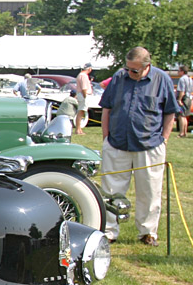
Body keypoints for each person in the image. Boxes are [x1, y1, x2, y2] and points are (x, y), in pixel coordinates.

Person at [100, 46, 180, 246]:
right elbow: (107, 108)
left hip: (150, 145)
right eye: (127, 68)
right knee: (111, 190)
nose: (130, 73)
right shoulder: (118, 78)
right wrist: (105, 137)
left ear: (147, 66)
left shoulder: (162, 80)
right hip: (117, 143)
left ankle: (148, 232)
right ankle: (109, 231)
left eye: (134, 70)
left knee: (150, 191)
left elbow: (170, 112)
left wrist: (165, 138)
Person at [75, 63, 94, 135]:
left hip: (81, 94)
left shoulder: (80, 75)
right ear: (89, 69)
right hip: (84, 95)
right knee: (81, 111)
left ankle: (79, 129)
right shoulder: (84, 76)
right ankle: (78, 129)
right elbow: (84, 87)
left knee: (81, 111)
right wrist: (85, 96)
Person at [176, 64, 191, 138]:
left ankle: (181, 133)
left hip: (183, 98)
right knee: (185, 116)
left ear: (182, 71)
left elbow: (182, 91)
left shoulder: (182, 79)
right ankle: (185, 132)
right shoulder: (189, 79)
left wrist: (179, 100)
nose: (178, 72)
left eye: (178, 71)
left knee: (181, 115)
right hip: (189, 98)